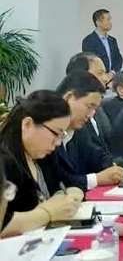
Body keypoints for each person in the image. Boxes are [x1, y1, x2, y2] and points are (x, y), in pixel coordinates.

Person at [51, 71, 123, 192]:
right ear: (69, 98)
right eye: (89, 106)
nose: (91, 115)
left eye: (94, 109)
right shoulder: (47, 133)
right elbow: (57, 182)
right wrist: (96, 179)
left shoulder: (79, 131)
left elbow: (102, 160)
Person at [0, 91, 83, 236]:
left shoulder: (43, 155)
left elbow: (70, 182)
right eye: (55, 133)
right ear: (28, 124)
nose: (58, 143)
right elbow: (3, 224)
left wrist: (72, 196)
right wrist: (48, 213)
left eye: (62, 135)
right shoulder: (5, 162)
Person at [66, 52, 113, 149]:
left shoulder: (98, 106)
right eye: (100, 73)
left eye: (105, 73)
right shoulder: (69, 116)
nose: (105, 79)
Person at [81, 9, 123, 73]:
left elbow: (118, 59)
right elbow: (90, 62)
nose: (110, 23)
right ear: (98, 23)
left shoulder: (112, 40)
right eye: (108, 20)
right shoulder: (88, 41)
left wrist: (113, 72)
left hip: (113, 76)